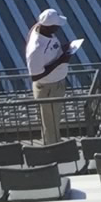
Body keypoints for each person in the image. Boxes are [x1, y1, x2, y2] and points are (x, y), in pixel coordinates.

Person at [25, 8, 72, 145]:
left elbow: (51, 50)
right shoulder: (36, 48)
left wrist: (64, 49)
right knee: (49, 122)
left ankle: (55, 142)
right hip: (48, 88)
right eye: (56, 26)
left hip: (54, 84)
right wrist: (61, 61)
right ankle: (52, 148)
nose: (58, 28)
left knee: (53, 119)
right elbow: (35, 76)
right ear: (49, 26)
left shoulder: (44, 31)